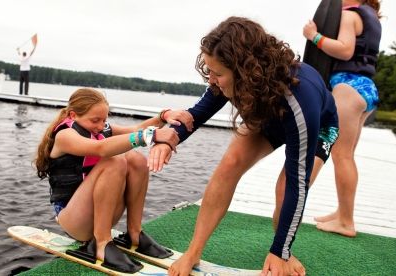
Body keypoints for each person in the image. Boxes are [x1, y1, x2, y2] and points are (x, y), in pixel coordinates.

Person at [148, 17, 339, 276]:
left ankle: (284, 251)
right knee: (229, 165)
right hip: (269, 117)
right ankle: (193, 252)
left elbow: (298, 183)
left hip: (316, 127)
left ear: (246, 70)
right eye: (209, 71)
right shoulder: (226, 76)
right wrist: (170, 138)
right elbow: (199, 113)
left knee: (285, 189)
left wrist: (279, 252)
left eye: (218, 74)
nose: (211, 80)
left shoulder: (299, 100)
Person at [34, 87, 181, 273]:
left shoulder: (100, 128)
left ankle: (134, 233)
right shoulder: (65, 135)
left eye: (104, 120)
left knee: (136, 160)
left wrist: (163, 116)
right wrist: (148, 137)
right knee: (114, 160)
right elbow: (101, 149)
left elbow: (135, 130)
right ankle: (102, 243)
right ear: (73, 115)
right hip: (74, 220)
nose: (100, 125)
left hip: (99, 215)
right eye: (95, 120)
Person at [302, 0, 381, 237]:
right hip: (366, 88)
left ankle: (346, 222)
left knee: (341, 155)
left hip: (347, 87)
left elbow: (345, 50)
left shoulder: (349, 15)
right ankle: (342, 213)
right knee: (347, 155)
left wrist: (313, 35)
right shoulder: (371, 18)